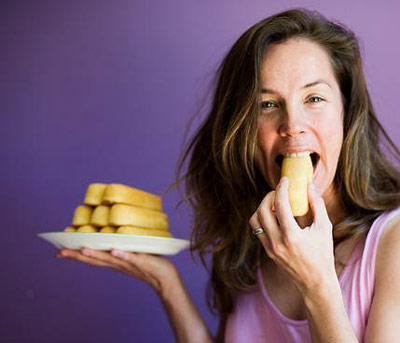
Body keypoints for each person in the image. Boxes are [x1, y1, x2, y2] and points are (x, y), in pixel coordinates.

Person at [57, 8, 400, 342]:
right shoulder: (254, 242)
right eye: (267, 104)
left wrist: (317, 284)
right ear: (243, 130)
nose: (292, 126)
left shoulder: (393, 241)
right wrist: (167, 284)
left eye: (314, 98)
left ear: (347, 113)